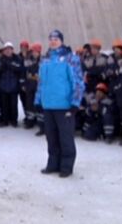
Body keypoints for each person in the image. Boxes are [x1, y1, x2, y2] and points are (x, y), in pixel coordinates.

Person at [35, 30, 85, 178]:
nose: (53, 41)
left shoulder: (71, 59)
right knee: (51, 137)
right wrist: (38, 100)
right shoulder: (46, 60)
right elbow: (41, 82)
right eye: (51, 39)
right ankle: (53, 164)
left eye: (56, 39)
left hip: (64, 106)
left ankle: (66, 166)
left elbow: (78, 82)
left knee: (65, 138)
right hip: (49, 105)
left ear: (62, 41)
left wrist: (75, 102)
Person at [0, 42, 24, 127]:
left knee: (13, 104)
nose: (8, 51)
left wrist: (10, 65)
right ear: (3, 51)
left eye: (9, 49)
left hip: (14, 85)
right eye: (6, 49)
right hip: (3, 85)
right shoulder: (0, 59)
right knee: (4, 104)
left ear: (12, 50)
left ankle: (14, 120)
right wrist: (2, 66)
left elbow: (20, 68)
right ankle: (5, 120)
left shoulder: (17, 59)